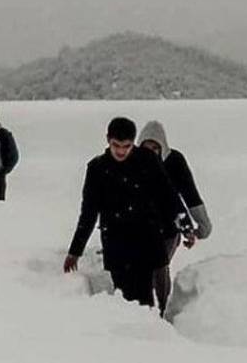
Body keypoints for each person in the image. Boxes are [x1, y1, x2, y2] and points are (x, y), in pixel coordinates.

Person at [63, 117, 195, 308]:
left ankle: (154, 329)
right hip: (117, 245)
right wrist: (75, 251)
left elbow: (168, 196)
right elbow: (89, 213)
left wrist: (186, 227)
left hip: (148, 240)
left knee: (146, 300)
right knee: (125, 299)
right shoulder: (97, 168)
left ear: (133, 142)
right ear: (108, 140)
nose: (121, 151)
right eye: (116, 145)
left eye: (126, 146)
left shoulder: (148, 160)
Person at [137, 120, 212, 315]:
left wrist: (201, 225)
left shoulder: (174, 161)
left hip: (168, 228)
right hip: (139, 227)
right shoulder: (131, 163)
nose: (151, 151)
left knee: (158, 267)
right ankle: (139, 312)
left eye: (156, 147)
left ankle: (160, 311)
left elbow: (189, 194)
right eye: (147, 147)